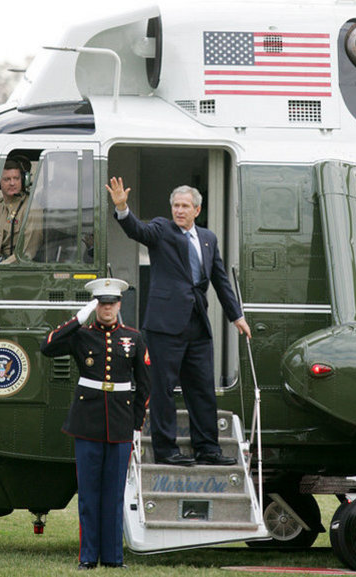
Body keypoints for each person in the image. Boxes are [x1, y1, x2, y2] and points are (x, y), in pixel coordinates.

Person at [106, 177, 251, 467]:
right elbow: (138, 230)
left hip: (197, 322)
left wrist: (236, 315)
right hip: (164, 325)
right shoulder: (162, 229)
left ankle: (208, 449)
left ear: (197, 210)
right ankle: (165, 450)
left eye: (185, 206)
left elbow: (221, 281)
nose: (179, 210)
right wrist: (122, 208)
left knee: (202, 388)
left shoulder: (209, 239)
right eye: (176, 205)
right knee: (163, 388)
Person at [41, 277, 150, 570]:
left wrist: (136, 425)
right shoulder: (81, 335)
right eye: (101, 303)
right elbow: (47, 347)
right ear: (96, 305)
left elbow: (145, 385)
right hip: (87, 423)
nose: (107, 308)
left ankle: (114, 558)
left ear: (119, 305)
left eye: (111, 303)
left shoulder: (134, 337)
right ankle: (88, 557)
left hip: (120, 424)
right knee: (89, 495)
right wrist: (77, 320)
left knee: (114, 495)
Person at [0, 158, 42, 263]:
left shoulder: (31, 209)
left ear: (23, 180)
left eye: (16, 178)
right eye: (7, 179)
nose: (12, 183)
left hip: (13, 270)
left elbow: (25, 255)